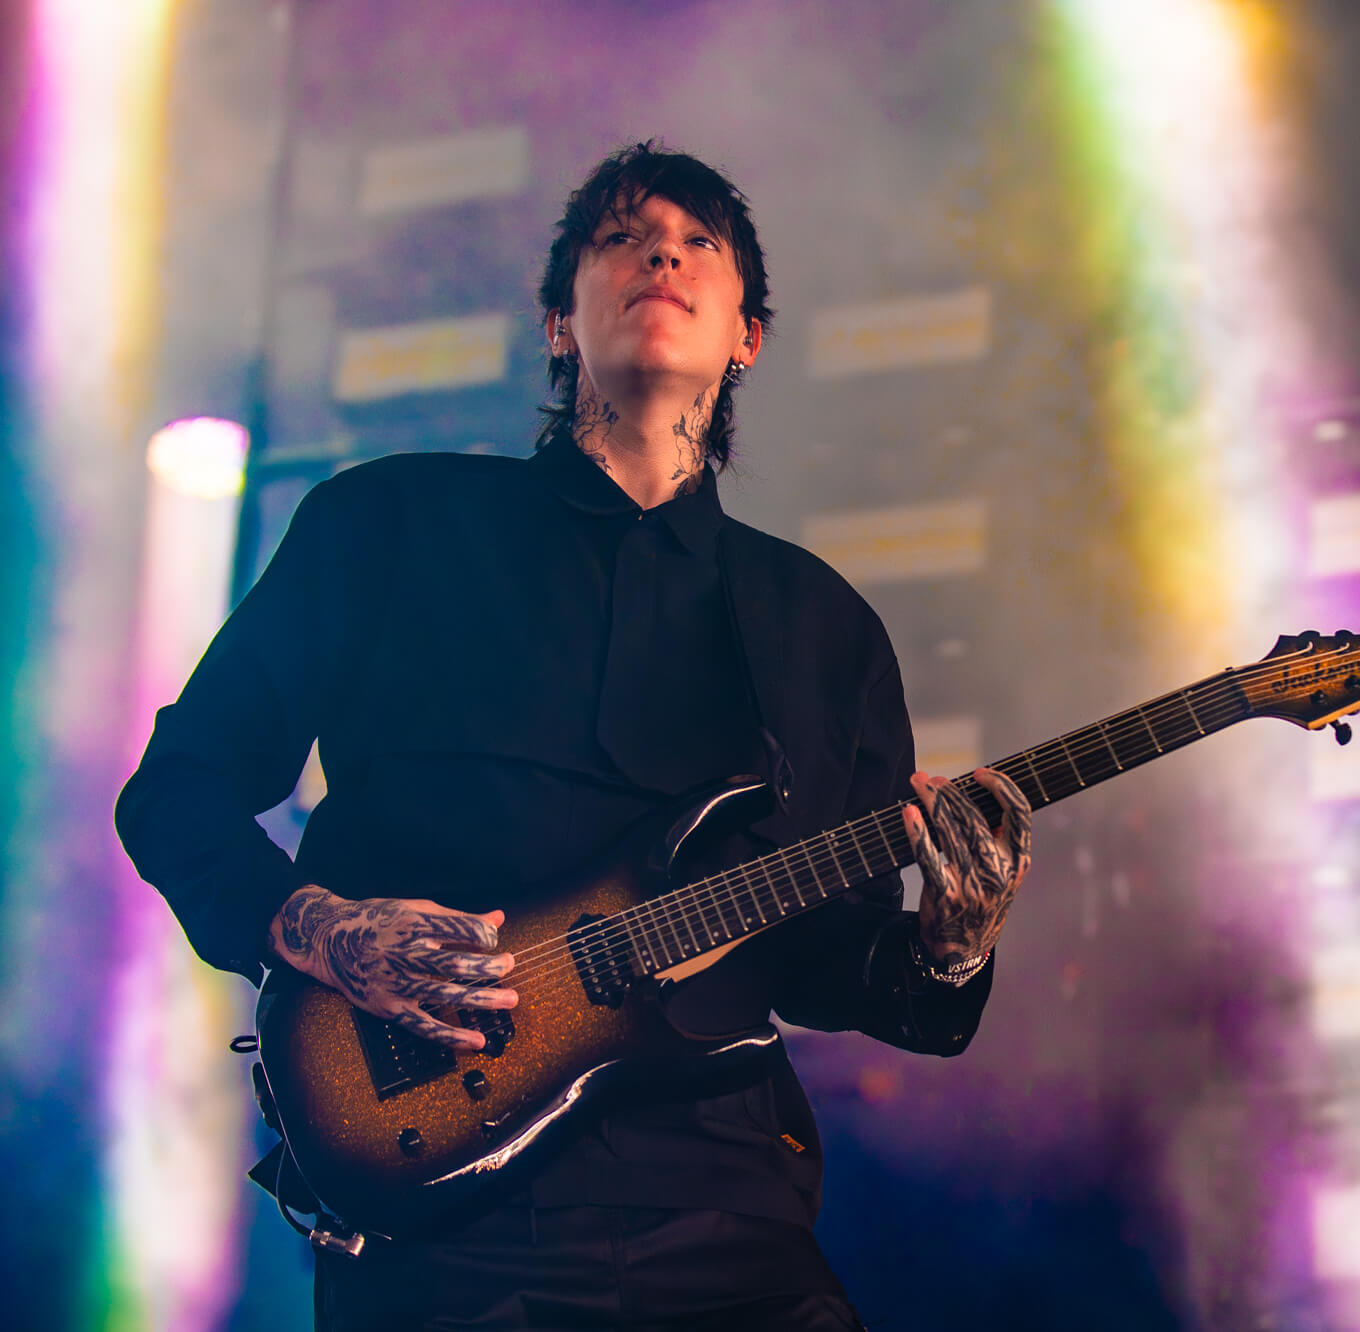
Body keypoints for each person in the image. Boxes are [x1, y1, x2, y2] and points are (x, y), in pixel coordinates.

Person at [116, 142, 1032, 1332]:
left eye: (699, 243)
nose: (663, 256)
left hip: (725, 1201)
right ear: (558, 322)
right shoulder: (386, 525)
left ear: (747, 336)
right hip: (449, 1208)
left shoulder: (822, 627)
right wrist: (321, 929)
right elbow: (176, 789)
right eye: (622, 238)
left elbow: (826, 957)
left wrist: (950, 950)